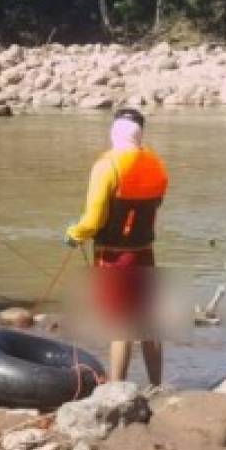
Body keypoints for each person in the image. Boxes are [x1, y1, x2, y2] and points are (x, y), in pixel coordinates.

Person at [65, 108, 169, 385]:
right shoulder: (156, 164)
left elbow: (94, 218)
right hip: (145, 250)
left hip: (114, 254)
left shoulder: (107, 165)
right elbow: (155, 205)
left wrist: (75, 234)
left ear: (115, 132)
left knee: (120, 325)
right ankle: (156, 385)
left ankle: (117, 388)